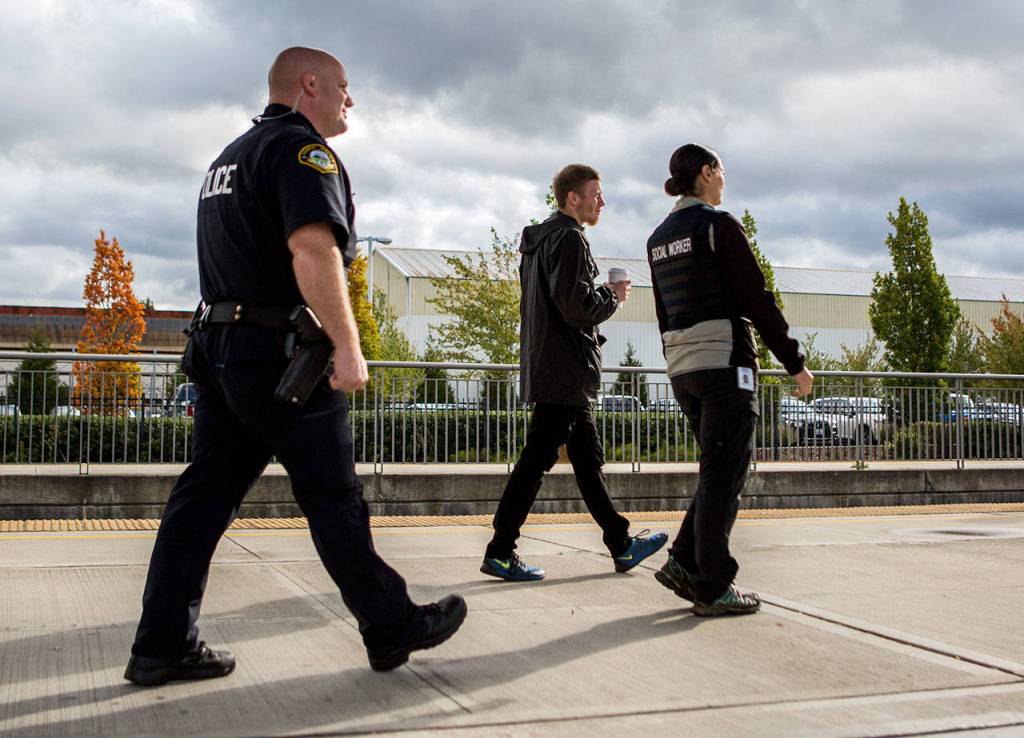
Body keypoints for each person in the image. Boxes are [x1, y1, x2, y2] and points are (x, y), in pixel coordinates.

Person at [124, 47, 466, 686]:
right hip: (280, 356)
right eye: (343, 86)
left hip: (223, 352)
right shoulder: (302, 152)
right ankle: (390, 624)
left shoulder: (228, 157)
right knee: (334, 496)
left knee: (202, 501)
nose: (350, 99)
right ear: (309, 84)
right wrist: (348, 342)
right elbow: (312, 249)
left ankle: (161, 643)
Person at [647, 143, 814, 616]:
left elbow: (663, 311)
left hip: (683, 369)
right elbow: (757, 299)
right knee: (726, 476)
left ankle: (682, 560)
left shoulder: (659, 237)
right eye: (721, 171)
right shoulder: (719, 226)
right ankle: (714, 584)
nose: (725, 180)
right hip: (726, 364)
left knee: (714, 471)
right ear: (706, 172)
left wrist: (675, 356)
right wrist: (794, 363)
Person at [480, 164, 667, 582]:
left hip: (554, 367)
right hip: (565, 371)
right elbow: (576, 306)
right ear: (572, 198)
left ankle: (620, 544)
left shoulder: (540, 241)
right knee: (536, 460)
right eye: (596, 193)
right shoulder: (568, 238)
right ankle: (500, 550)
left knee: (586, 459)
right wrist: (613, 296)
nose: (602, 201)